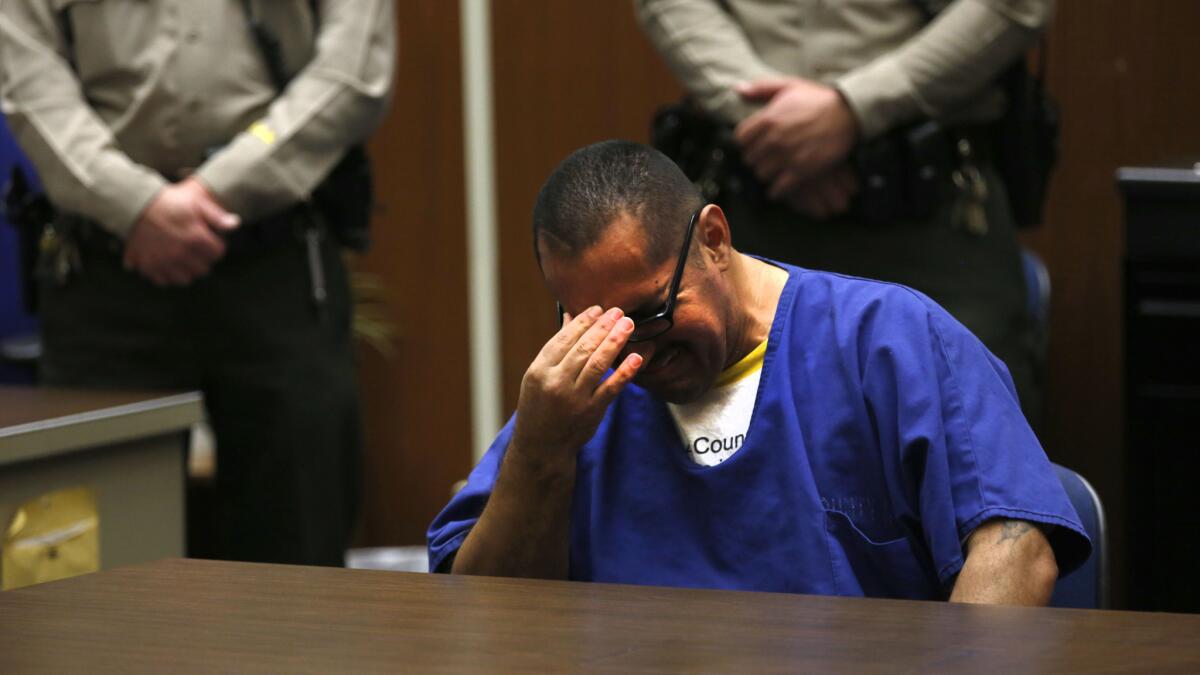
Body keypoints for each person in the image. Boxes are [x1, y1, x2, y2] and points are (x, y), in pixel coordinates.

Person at [429, 141, 1088, 603]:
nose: (640, 353)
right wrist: (541, 453)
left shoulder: (886, 338)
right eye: (598, 322)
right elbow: (483, 611)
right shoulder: (575, 397)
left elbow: (1017, 549)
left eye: (654, 311)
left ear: (714, 238)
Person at [0, 0, 395, 565]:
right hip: (105, 276)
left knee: (299, 558)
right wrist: (136, 206)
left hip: (275, 265)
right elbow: (32, 86)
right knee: (91, 570)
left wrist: (214, 193)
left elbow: (353, 70)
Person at [633, 0, 1054, 426]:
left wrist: (853, 109)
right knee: (725, 459)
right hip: (751, 208)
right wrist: (777, 127)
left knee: (972, 439)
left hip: (931, 215)